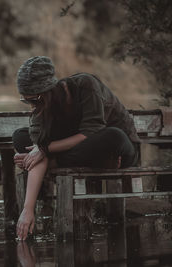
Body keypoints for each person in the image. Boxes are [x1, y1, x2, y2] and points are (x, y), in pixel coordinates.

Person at [13, 56, 140, 240]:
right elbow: (38, 149)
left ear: (47, 91)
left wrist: (45, 150)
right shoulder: (41, 109)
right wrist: (27, 210)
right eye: (27, 101)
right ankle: (56, 161)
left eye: (34, 100)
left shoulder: (85, 85)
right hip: (82, 153)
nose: (32, 106)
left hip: (114, 148)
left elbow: (91, 132)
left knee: (114, 135)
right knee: (20, 137)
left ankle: (54, 162)